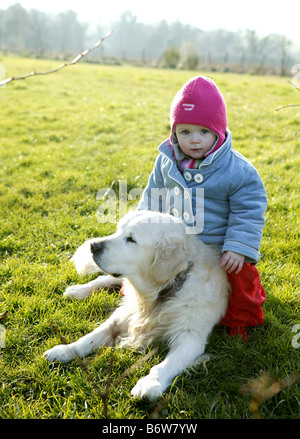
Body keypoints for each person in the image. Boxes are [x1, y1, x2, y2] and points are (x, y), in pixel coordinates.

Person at [137, 75, 268, 341]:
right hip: (179, 245)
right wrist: (142, 231)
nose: (194, 140)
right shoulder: (166, 163)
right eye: (185, 132)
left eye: (203, 132)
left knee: (240, 275)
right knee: (149, 263)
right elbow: (153, 198)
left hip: (219, 247)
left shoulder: (238, 170)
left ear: (218, 132)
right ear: (174, 132)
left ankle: (241, 318)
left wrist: (238, 247)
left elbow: (248, 211)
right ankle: (137, 294)